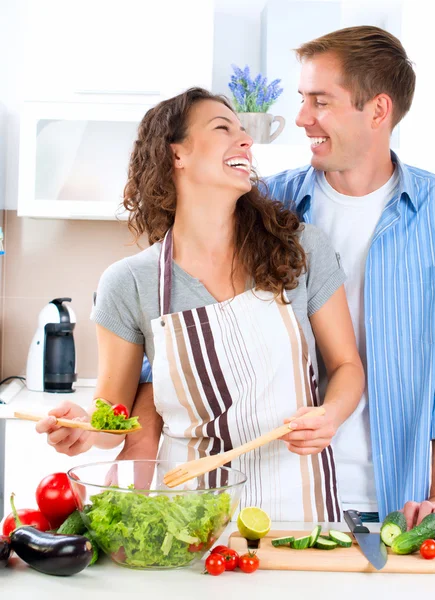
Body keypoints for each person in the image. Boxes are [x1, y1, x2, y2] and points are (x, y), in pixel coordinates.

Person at [131, 25, 435, 528]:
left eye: (320, 101)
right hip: (271, 495)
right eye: (302, 99)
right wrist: (133, 489)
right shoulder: (266, 207)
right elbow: (167, 358)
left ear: (378, 111)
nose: (301, 118)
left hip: (391, 498)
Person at [35, 88, 365, 522]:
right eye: (223, 128)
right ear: (177, 155)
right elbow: (112, 419)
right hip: (189, 517)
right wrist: (81, 429)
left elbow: (347, 367)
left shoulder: (300, 248)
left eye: (245, 133)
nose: (245, 140)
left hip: (297, 512)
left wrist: (330, 415)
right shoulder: (130, 283)